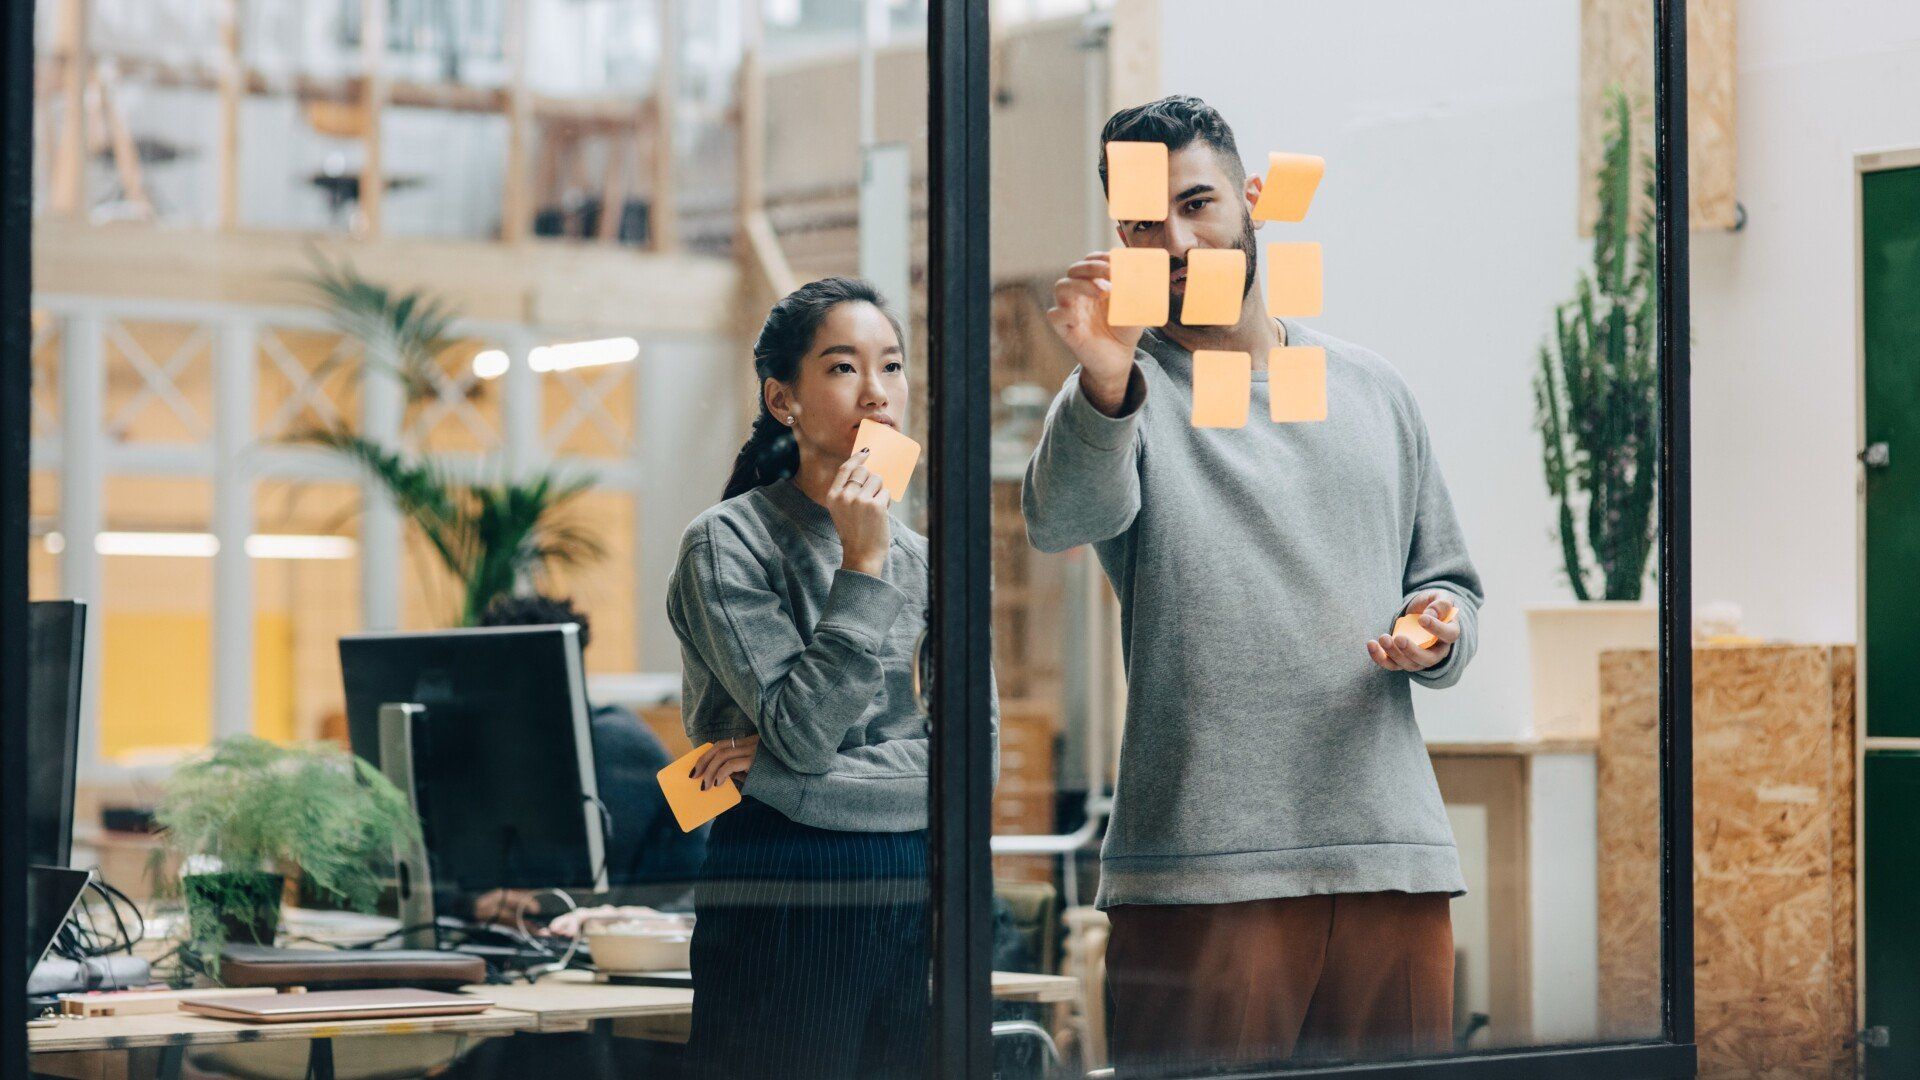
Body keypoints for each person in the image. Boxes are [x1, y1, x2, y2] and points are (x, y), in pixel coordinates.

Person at [1023, 95, 1484, 1069]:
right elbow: (1060, 520)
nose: (1177, 242)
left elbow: (1447, 580)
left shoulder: (1373, 389)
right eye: (1142, 225)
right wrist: (1102, 381)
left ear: (1253, 200)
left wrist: (1438, 626)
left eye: (1198, 204)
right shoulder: (1121, 393)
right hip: (1202, 871)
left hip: (1391, 855)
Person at [667, 276, 997, 1080]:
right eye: (844, 368)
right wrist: (863, 563)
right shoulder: (728, 544)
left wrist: (782, 774)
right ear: (783, 400)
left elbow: (970, 766)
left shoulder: (934, 558)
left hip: (913, 882)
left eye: (893, 366)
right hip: (783, 880)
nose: (877, 393)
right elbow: (805, 733)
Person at [475, 594, 706, 908]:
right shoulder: (516, 749)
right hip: (600, 925)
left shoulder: (617, 741)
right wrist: (475, 904)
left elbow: (591, 887)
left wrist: (521, 904)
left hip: (660, 922)